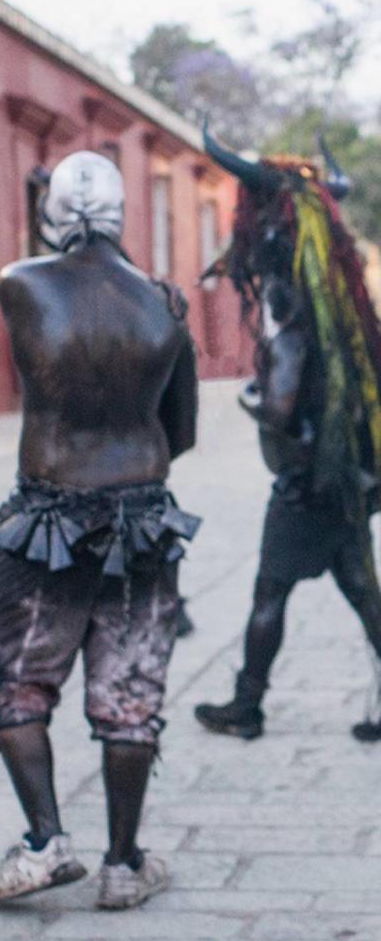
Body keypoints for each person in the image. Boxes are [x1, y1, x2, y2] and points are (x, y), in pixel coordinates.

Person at [0, 150, 199, 910]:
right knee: (131, 694)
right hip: (142, 519)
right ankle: (124, 864)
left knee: (15, 680)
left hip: (46, 519)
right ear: (125, 213)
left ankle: (46, 840)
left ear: (52, 210)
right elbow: (184, 431)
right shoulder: (165, 306)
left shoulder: (19, 283)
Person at [193, 128, 381, 742]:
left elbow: (278, 407)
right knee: (360, 590)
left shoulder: (295, 316)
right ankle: (247, 702)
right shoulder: (338, 306)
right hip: (344, 481)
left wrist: (253, 400)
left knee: (269, 594)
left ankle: (246, 707)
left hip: (305, 486)